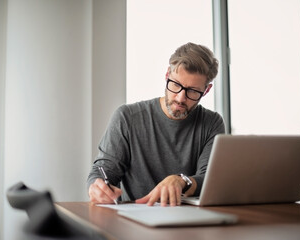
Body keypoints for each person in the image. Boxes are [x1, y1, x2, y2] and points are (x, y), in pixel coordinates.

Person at [87, 42, 225, 206]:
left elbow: (210, 178)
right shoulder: (127, 117)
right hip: (135, 214)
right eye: (176, 85)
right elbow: (104, 170)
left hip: (187, 219)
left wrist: (182, 181)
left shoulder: (211, 123)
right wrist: (98, 186)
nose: (181, 98)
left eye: (193, 91)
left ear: (206, 90)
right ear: (167, 75)